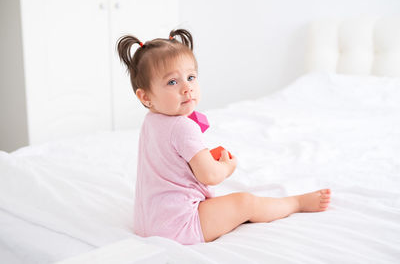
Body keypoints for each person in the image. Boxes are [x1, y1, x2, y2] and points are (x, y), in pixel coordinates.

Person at [116, 29, 331, 245]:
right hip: (179, 226)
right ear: (146, 96)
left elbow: (170, 161)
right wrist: (227, 168)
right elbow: (209, 175)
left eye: (191, 77)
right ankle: (295, 203)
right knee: (245, 202)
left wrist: (202, 157)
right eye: (172, 82)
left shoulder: (151, 121)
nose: (187, 88)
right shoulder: (183, 127)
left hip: (148, 222)